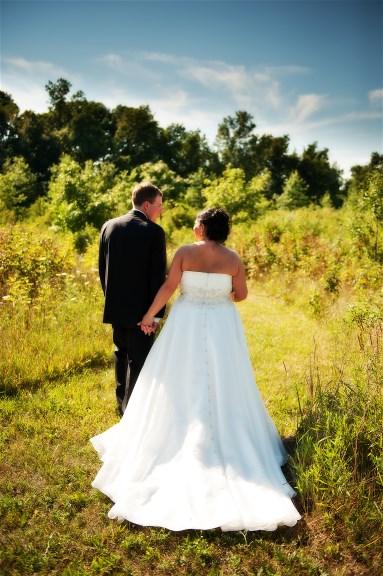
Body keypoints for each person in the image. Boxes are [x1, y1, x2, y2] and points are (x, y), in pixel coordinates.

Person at [91, 208, 301, 531]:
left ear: (202, 228)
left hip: (186, 322)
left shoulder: (185, 253)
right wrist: (223, 293)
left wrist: (149, 315)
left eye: (195, 223)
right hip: (221, 323)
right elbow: (241, 295)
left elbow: (168, 288)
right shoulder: (233, 259)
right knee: (225, 380)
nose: (193, 227)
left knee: (178, 379)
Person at [98, 181, 166, 415]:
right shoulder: (154, 232)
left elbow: (102, 270)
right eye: (159, 205)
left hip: (116, 307)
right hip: (142, 314)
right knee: (139, 360)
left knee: (121, 353)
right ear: (147, 204)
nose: (161, 210)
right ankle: (133, 410)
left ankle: (121, 404)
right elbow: (158, 277)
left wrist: (112, 300)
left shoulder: (109, 226)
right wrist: (154, 315)